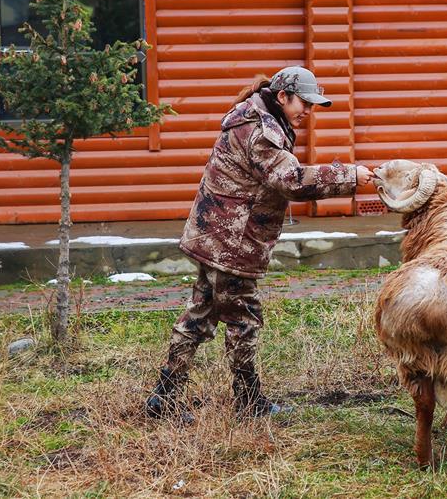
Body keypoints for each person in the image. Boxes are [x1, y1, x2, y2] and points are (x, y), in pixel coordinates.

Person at [145, 66, 374, 422]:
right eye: (304, 104)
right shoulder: (261, 131)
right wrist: (349, 176)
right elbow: (292, 181)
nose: (308, 112)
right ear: (283, 96)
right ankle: (247, 401)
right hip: (230, 241)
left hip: (217, 236)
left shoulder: (258, 118)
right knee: (243, 319)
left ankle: (165, 396)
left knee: (200, 314)